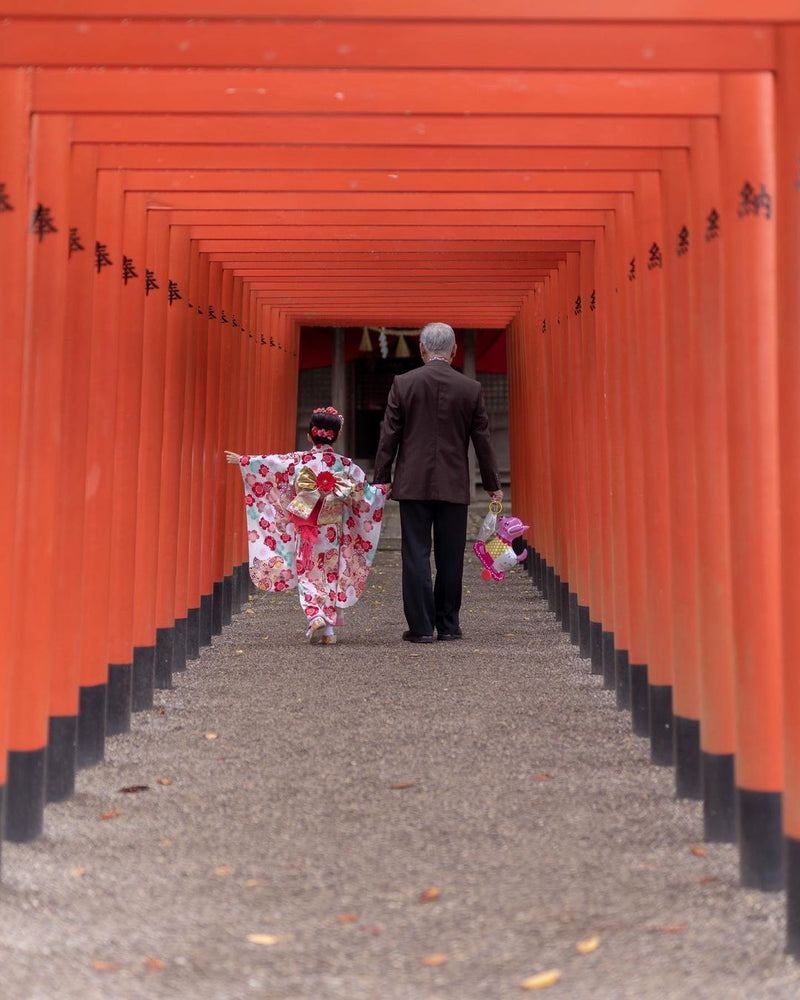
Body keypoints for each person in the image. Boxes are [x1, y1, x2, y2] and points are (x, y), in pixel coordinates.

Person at [372, 322, 503, 643]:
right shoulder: (470, 388)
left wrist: (381, 479)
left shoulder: (403, 384)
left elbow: (389, 436)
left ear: (421, 349)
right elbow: (482, 441)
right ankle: (447, 625)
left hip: (413, 484)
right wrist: (492, 484)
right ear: (454, 350)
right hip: (454, 484)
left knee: (415, 553)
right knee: (450, 556)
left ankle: (420, 628)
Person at [225, 407, 389, 645]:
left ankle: (315, 616)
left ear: (310, 436)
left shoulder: (299, 461)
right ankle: (329, 631)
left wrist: (243, 460)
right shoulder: (345, 465)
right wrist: (383, 491)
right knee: (331, 573)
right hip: (333, 531)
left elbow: (270, 465)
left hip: (307, 527)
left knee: (309, 571)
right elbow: (365, 494)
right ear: (337, 435)